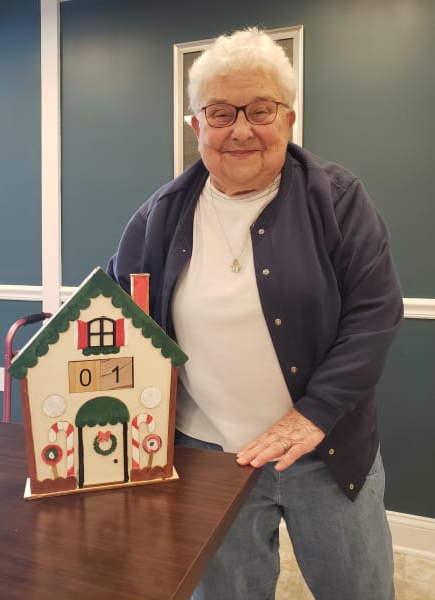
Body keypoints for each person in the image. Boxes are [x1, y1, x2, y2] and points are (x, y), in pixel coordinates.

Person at [108, 27, 403, 600]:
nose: (240, 129)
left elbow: (373, 315)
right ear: (197, 127)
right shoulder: (159, 215)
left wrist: (312, 416)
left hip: (325, 452)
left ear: (288, 118)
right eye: (219, 112)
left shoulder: (338, 199)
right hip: (206, 459)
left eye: (260, 109)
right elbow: (123, 318)